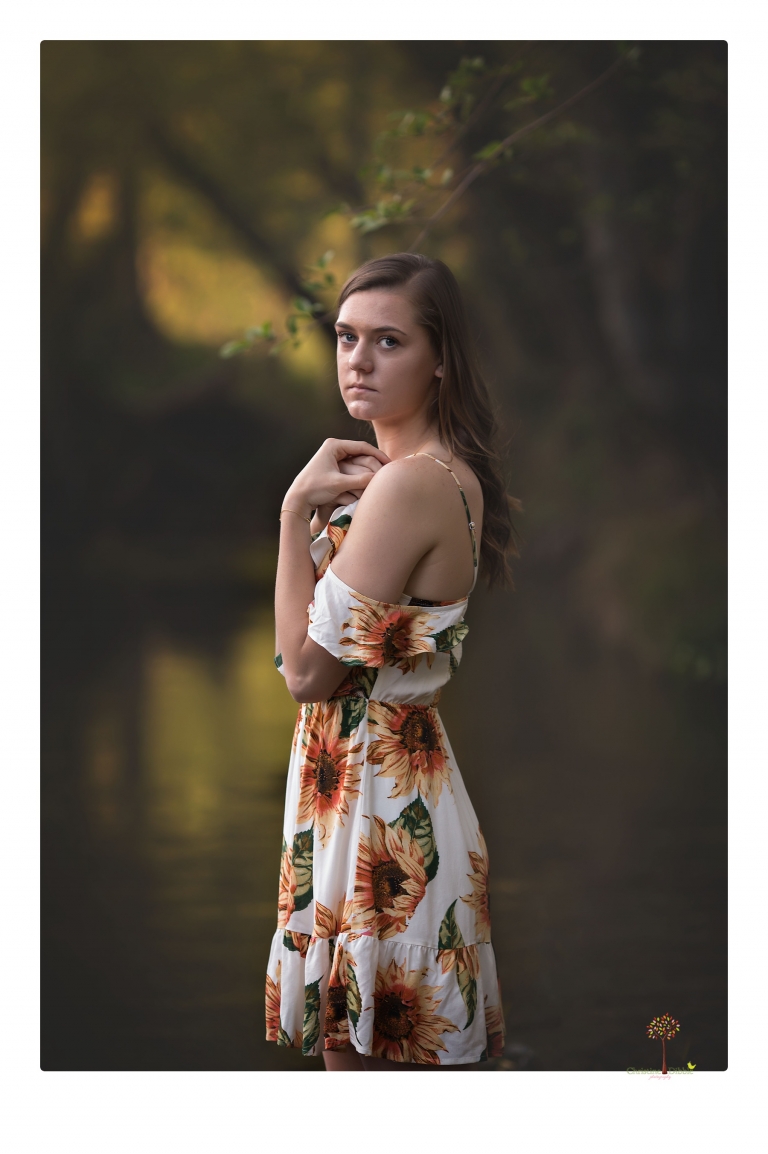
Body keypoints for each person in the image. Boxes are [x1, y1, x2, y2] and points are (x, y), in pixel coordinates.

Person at [265, 252, 518, 1069]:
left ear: (439, 361)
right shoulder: (433, 476)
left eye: (389, 341)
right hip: (373, 794)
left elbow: (303, 671)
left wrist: (293, 510)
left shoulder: (410, 486)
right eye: (346, 337)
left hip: (381, 820)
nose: (358, 360)